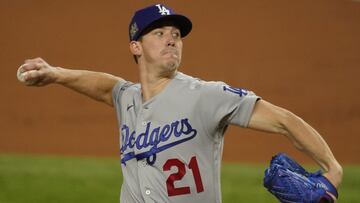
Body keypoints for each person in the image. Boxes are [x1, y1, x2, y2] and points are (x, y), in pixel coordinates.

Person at [17, 3, 342, 203]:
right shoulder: (126, 98)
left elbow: (284, 120)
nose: (172, 37)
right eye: (159, 33)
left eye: (175, 33)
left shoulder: (206, 94)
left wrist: (333, 169)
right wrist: (57, 73)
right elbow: (106, 86)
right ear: (136, 46)